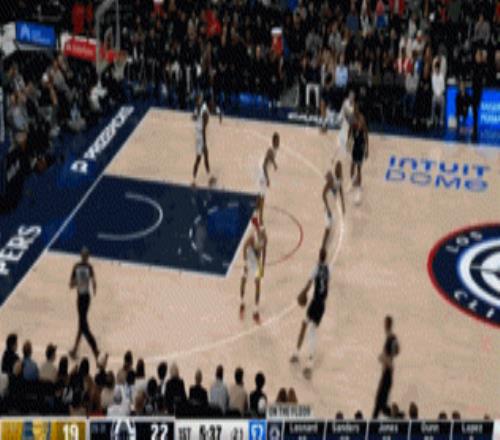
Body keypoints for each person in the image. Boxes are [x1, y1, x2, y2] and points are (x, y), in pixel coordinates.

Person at [290, 248, 330, 379]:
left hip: (316, 302)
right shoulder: (328, 270)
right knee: (305, 325)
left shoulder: (316, 269)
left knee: (311, 331)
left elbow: (308, 285)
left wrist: (301, 294)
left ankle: (309, 365)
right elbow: (326, 287)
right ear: (326, 256)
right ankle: (297, 354)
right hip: (320, 304)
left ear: (319, 256)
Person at [69, 247, 100, 365]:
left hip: (84, 299)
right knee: (82, 325)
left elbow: (93, 280)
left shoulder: (84, 267)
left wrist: (93, 285)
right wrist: (80, 281)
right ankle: (75, 349)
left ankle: (95, 349)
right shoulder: (81, 267)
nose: (85, 257)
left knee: (83, 326)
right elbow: (71, 285)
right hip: (83, 298)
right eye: (84, 255)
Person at [240, 217, 268, 324]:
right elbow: (244, 247)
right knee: (244, 279)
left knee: (258, 283)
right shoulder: (252, 237)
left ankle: (255, 312)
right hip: (250, 256)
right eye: (261, 232)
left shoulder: (265, 239)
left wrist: (263, 266)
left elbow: (264, 252)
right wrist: (245, 262)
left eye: (263, 233)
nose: (262, 234)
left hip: (256, 260)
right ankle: (242, 303)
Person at [372, 315, 400, 419]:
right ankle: (398, 417)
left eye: (386, 323)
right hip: (386, 374)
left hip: (387, 374)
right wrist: (385, 357)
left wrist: (385, 358)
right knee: (382, 406)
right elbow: (396, 351)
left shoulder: (391, 337)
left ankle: (372, 424)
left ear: (388, 324)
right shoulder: (390, 337)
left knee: (379, 402)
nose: (384, 325)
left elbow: (396, 350)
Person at [322, 162, 345, 250]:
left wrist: (343, 205)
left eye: (340, 169)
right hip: (329, 208)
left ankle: (325, 247)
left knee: (330, 229)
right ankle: (323, 247)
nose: (338, 170)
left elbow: (340, 190)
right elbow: (323, 194)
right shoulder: (332, 181)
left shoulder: (340, 180)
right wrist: (327, 207)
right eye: (337, 168)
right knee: (328, 229)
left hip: (332, 207)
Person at [257, 132, 279, 225]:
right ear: (274, 141)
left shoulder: (273, 150)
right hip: (262, 173)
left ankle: (256, 212)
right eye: (277, 141)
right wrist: (267, 179)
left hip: (262, 172)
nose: (279, 143)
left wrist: (274, 163)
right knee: (262, 196)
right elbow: (264, 165)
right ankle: (260, 219)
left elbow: (271, 158)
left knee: (260, 195)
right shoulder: (270, 150)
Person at [349, 104, 369, 203]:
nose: (354, 111)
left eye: (355, 109)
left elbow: (366, 134)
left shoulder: (362, 120)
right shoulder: (352, 119)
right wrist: (348, 142)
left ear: (358, 110)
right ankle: (353, 182)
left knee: (359, 168)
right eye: (353, 109)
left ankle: (359, 187)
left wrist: (367, 149)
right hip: (355, 145)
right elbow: (349, 131)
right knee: (352, 164)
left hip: (360, 145)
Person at [192, 94, 213, 186]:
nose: (212, 103)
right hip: (200, 137)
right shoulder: (205, 114)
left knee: (204, 157)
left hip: (199, 135)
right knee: (199, 158)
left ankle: (208, 177)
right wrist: (204, 144)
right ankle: (194, 180)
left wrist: (195, 116)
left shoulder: (203, 107)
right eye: (211, 101)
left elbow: (194, 115)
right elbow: (203, 129)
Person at [337, 90, 355, 157]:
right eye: (350, 96)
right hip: (343, 119)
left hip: (349, 121)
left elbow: (352, 115)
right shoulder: (345, 103)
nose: (351, 98)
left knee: (351, 133)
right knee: (344, 133)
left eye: (353, 97)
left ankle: (349, 148)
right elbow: (345, 113)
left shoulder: (354, 105)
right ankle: (342, 144)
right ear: (349, 97)